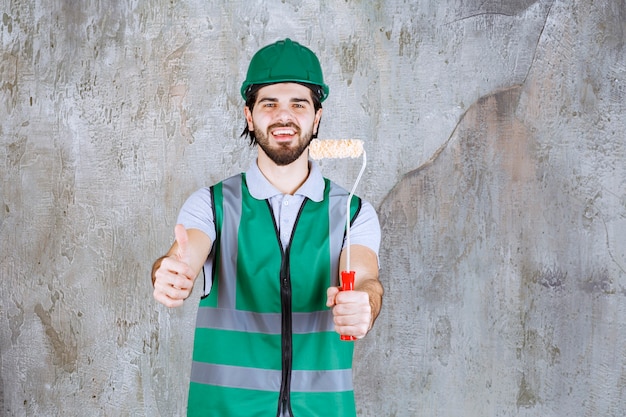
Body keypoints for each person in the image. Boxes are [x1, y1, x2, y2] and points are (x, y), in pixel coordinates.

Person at [151, 38, 383, 417]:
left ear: (317, 117)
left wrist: (365, 304)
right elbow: (185, 254)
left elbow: (364, 279)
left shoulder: (353, 212)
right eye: (269, 104)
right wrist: (170, 272)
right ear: (249, 115)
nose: (283, 116)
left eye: (298, 104)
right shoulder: (210, 206)